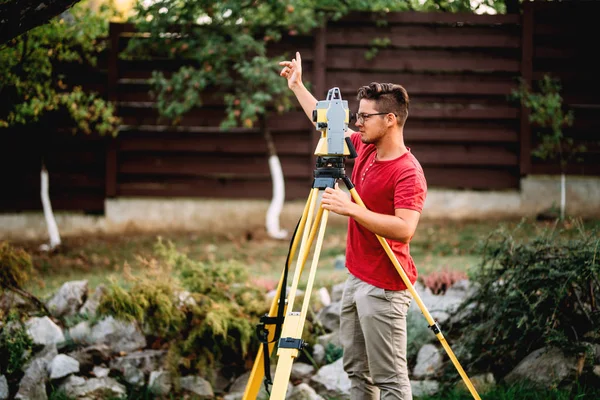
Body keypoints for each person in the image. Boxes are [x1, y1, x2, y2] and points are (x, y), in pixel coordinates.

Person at [279, 52, 427, 399]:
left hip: (385, 288)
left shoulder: (408, 172)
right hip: (356, 279)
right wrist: (297, 86)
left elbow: (405, 229)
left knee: (390, 381)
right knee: (357, 373)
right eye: (356, 116)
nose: (356, 123)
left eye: (364, 116)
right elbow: (327, 122)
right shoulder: (364, 148)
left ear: (390, 119)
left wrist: (351, 209)